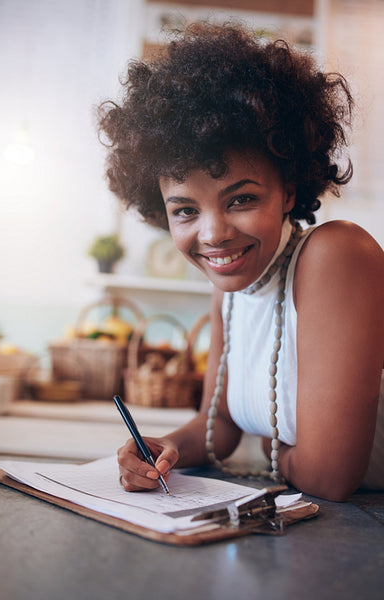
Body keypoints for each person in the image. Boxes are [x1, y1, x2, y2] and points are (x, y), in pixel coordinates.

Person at [98, 22, 384, 501]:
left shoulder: (337, 256)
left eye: (241, 199)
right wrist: (164, 449)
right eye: (185, 210)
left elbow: (329, 477)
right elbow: (222, 424)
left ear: (288, 190)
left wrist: (271, 447)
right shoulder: (230, 289)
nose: (212, 235)